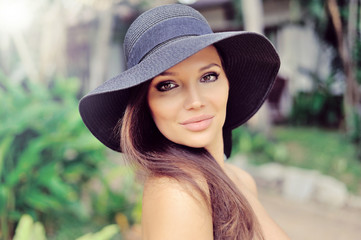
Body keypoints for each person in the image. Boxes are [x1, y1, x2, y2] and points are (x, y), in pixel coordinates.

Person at [79, 4, 289, 240]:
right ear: (146, 105)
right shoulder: (178, 191)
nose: (195, 101)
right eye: (168, 85)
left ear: (228, 82)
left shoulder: (241, 179)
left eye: (208, 76)